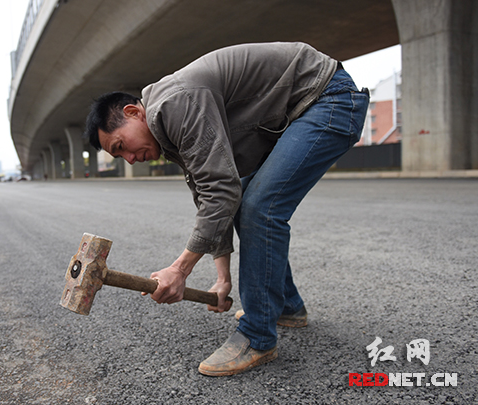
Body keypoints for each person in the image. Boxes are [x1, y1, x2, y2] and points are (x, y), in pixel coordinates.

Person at [85, 42, 369, 376]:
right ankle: (286, 307)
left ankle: (257, 336)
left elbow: (221, 190)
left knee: (261, 207)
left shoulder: (174, 103)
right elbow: (212, 198)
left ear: (134, 112)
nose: (130, 158)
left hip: (327, 99)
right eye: (120, 157)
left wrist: (179, 270)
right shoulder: (167, 128)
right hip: (301, 110)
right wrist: (222, 280)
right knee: (245, 202)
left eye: (122, 146)